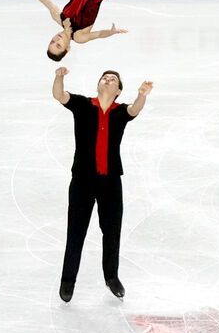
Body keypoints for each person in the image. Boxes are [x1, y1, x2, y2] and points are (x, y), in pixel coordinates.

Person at [51, 66, 152, 303]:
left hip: (110, 182)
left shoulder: (120, 112)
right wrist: (58, 77)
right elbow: (59, 95)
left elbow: (134, 110)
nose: (108, 80)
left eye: (113, 79)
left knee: (112, 230)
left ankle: (111, 277)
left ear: (118, 89)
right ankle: (68, 280)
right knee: (76, 231)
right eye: (105, 78)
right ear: (99, 85)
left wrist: (142, 95)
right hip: (82, 181)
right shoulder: (83, 105)